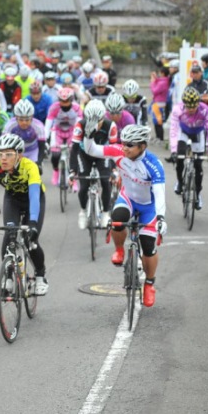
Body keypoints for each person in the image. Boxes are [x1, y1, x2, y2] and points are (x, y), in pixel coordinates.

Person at [82, 124, 166, 307]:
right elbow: (91, 149)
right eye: (124, 143)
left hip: (148, 208)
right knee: (117, 219)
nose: (125, 147)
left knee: (148, 245)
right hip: (127, 198)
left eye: (130, 145)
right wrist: (88, 135)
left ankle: (149, 284)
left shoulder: (153, 164)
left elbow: (159, 194)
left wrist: (161, 218)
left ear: (142, 146)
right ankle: (119, 249)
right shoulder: (119, 151)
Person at [0, 134, 49, 296]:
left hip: (33, 200)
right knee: (9, 235)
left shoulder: (30, 167)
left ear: (19, 155)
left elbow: (34, 196)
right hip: (13, 200)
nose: (3, 159)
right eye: (0, 154)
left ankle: (40, 275)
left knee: (31, 240)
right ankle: (9, 277)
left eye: (8, 154)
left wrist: (32, 222)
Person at [70, 100, 117, 229]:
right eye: (91, 120)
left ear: (103, 117)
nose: (95, 124)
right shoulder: (80, 125)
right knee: (84, 185)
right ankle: (83, 212)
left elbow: (115, 149)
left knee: (106, 181)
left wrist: (113, 169)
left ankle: (106, 213)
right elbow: (74, 149)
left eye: (98, 121)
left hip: (103, 154)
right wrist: (72, 171)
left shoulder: (110, 125)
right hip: (84, 155)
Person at [169, 86, 208, 209]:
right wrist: (173, 150)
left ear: (198, 103)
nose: (191, 109)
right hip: (183, 132)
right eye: (188, 106)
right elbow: (173, 131)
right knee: (180, 157)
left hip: (198, 133)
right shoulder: (177, 109)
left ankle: (198, 194)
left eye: (194, 106)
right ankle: (179, 182)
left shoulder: (204, 110)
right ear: (184, 104)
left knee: (198, 165)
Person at [45, 87, 83, 186]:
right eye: (62, 101)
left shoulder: (77, 108)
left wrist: (78, 138)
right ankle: (56, 171)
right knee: (55, 155)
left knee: (74, 154)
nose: (64, 103)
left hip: (72, 131)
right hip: (57, 130)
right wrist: (45, 138)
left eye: (67, 101)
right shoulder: (54, 107)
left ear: (71, 100)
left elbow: (79, 124)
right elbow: (48, 123)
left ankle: (73, 179)